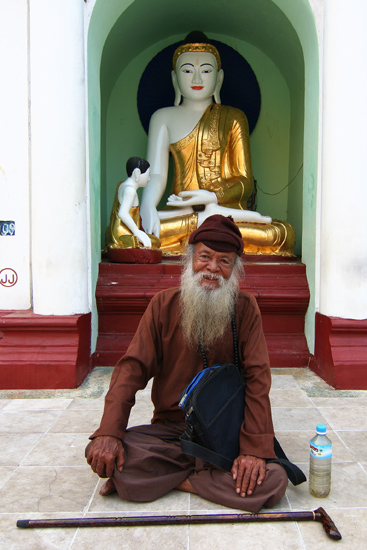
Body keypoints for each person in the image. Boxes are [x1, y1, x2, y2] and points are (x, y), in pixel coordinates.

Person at [86, 214, 288, 513]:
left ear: (234, 269)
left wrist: (253, 450)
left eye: (224, 261)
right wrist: (109, 432)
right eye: (205, 257)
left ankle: (167, 480)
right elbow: (132, 369)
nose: (212, 269)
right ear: (190, 258)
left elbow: (258, 379)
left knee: (274, 480)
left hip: (225, 434)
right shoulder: (162, 305)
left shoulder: (245, 309)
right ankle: (208, 479)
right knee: (100, 451)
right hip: (173, 430)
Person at [139, 31, 296, 256]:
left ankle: (202, 233)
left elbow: (244, 182)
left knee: (280, 234)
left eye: (205, 71)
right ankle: (203, 232)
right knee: (131, 229)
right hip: (181, 213)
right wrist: (147, 207)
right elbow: (156, 175)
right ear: (175, 79)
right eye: (187, 71)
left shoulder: (234, 118)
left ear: (219, 78)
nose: (196, 79)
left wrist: (211, 197)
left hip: (226, 214)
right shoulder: (162, 117)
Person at [104, 157, 160, 251]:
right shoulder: (130, 190)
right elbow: (122, 213)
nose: (149, 179)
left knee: (152, 240)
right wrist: (136, 231)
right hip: (123, 233)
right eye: (148, 174)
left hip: (120, 231)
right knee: (156, 242)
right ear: (137, 173)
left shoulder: (122, 184)